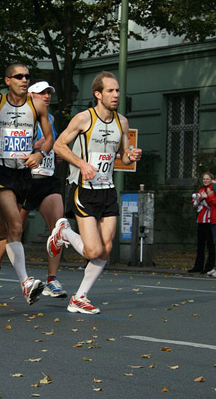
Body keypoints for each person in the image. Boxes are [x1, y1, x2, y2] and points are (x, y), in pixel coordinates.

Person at [47, 71, 142, 314]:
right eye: (110, 91)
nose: (116, 95)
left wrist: (129, 155)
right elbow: (58, 145)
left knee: (106, 249)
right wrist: (82, 164)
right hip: (83, 189)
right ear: (97, 94)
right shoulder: (83, 119)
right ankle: (64, 232)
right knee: (93, 251)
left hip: (107, 190)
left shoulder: (122, 122)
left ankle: (80, 297)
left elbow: (122, 153)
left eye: (118, 90)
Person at [0, 69, 54, 305]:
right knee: (17, 225)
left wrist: (40, 153)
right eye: (18, 77)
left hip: (23, 174)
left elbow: (49, 138)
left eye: (27, 77)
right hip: (0, 173)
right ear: (7, 80)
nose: (24, 80)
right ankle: (26, 283)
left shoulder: (37, 106)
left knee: (3, 228)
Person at [189, 172, 215, 273]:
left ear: (211, 180)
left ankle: (209, 266)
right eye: (204, 179)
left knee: (210, 245)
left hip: (209, 220)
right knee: (200, 245)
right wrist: (199, 199)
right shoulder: (201, 190)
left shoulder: (212, 190)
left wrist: (204, 199)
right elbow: (194, 204)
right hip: (201, 220)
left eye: (207, 179)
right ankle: (198, 266)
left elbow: (211, 205)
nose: (205, 181)